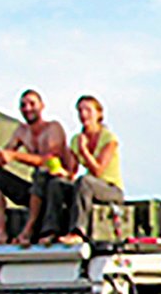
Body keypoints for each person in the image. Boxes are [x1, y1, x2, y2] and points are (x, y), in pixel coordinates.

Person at [0, 89, 69, 244]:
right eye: (23, 105)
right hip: (34, 191)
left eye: (32, 104)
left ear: (42, 106)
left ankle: (29, 230)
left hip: (55, 189)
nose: (27, 108)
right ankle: (0, 230)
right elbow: (7, 153)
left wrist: (15, 156)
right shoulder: (22, 131)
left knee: (41, 174)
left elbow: (50, 160)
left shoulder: (53, 128)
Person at [48, 94, 126, 245]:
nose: (83, 115)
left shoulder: (109, 139)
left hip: (110, 188)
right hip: (87, 188)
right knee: (56, 185)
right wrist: (60, 171)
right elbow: (72, 172)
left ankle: (78, 232)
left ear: (99, 114)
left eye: (88, 110)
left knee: (86, 181)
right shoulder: (76, 139)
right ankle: (51, 230)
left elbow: (98, 171)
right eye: (80, 111)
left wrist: (84, 151)